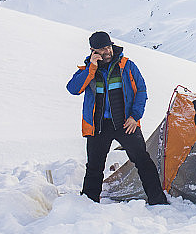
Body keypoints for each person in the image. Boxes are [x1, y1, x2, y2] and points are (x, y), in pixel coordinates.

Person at [67, 31, 168, 205]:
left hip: (126, 123)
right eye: (102, 49)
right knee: (94, 167)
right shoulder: (88, 69)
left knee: (143, 161)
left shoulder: (127, 65)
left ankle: (158, 201)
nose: (107, 51)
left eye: (108, 47)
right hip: (98, 126)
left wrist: (134, 117)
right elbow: (73, 89)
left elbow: (141, 91)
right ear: (93, 51)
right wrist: (91, 67)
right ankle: (88, 205)